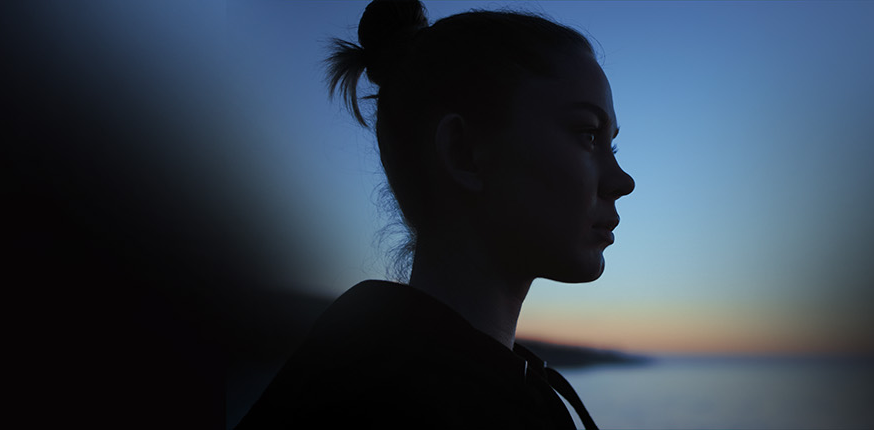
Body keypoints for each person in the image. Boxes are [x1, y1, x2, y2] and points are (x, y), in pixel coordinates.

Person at [236, 1, 633, 428]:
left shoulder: (350, 373)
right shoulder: (411, 406)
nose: (622, 181)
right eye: (587, 134)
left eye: (611, 144)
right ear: (464, 153)